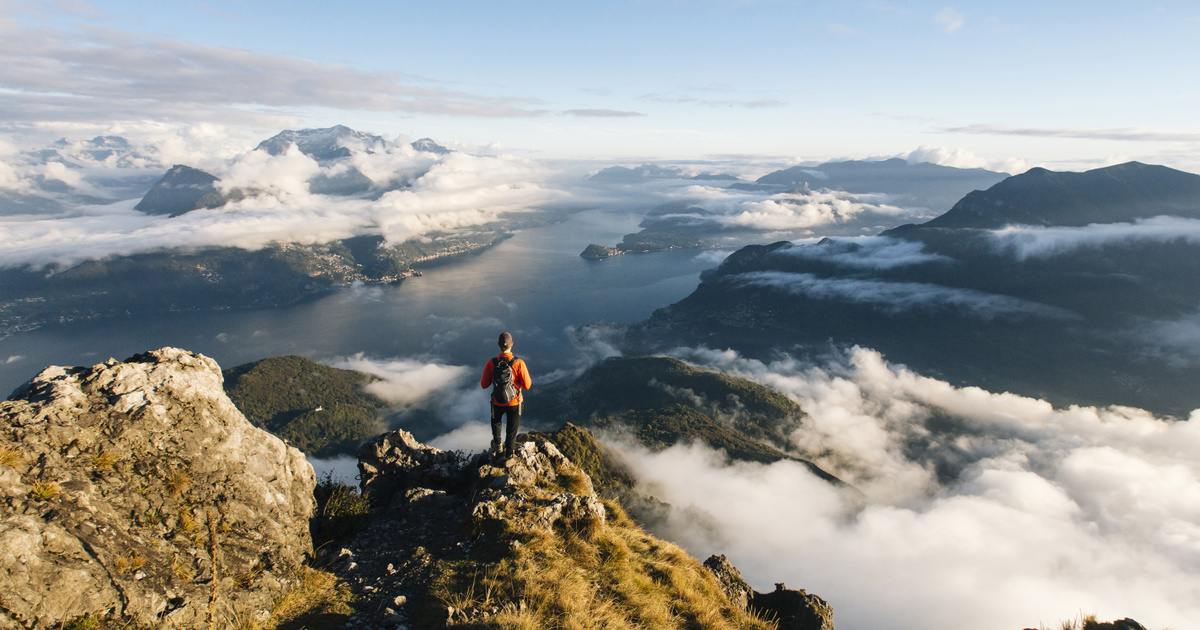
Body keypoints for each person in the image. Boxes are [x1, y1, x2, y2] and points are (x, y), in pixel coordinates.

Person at [480, 332, 531, 457]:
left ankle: (497, 446)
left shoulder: (491, 363)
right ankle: (509, 453)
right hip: (515, 402)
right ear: (512, 344)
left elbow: (483, 385)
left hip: (497, 401)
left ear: (498, 344)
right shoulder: (519, 363)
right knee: (511, 429)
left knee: (496, 422)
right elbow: (527, 385)